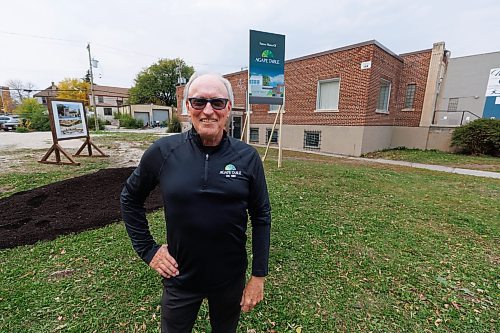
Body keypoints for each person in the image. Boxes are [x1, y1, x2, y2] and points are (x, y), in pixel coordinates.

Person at [120, 72, 271, 333]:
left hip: (229, 279)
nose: (208, 111)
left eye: (218, 103)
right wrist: (148, 250)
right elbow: (130, 198)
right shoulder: (163, 152)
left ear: (229, 108)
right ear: (187, 107)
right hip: (180, 277)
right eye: (199, 102)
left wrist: (258, 275)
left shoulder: (247, 157)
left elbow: (261, 215)